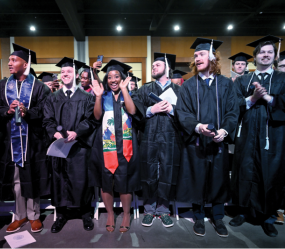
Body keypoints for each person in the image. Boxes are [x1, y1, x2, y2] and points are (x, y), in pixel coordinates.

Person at [176, 38, 239, 238]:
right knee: (197, 177)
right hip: (197, 142)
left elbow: (232, 111)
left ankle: (218, 217)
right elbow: (182, 112)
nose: (197, 57)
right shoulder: (188, 85)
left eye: (201, 54)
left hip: (218, 142)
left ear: (212, 57)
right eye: (195, 55)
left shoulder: (226, 84)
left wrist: (225, 131)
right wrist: (197, 126)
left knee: (219, 178)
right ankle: (199, 216)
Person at [230, 35, 285, 237]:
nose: (266, 55)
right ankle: (242, 211)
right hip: (247, 132)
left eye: (270, 52)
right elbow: (233, 105)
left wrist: (269, 98)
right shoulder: (243, 80)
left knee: (270, 172)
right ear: (255, 56)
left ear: (275, 56)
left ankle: (267, 217)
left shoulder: (282, 78)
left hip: (273, 133)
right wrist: (252, 98)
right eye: (262, 52)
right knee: (244, 170)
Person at [0, 43, 51, 233]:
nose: (9, 63)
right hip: (11, 140)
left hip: (33, 140)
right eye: (9, 59)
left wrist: (28, 112)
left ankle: (34, 215)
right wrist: (7, 111)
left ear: (25, 64)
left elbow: (44, 111)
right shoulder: (3, 85)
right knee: (16, 180)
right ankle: (19, 215)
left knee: (32, 177)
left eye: (14, 60)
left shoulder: (39, 87)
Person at [43, 57, 98, 233]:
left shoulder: (87, 97)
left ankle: (85, 213)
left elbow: (91, 119)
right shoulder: (52, 98)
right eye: (63, 72)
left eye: (69, 72)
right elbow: (47, 120)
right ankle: (61, 215)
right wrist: (54, 133)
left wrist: (77, 132)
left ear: (76, 75)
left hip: (79, 146)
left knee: (81, 178)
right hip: (59, 146)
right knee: (60, 179)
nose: (65, 74)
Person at [89, 60, 141, 233]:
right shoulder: (102, 96)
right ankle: (110, 214)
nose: (113, 79)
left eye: (116, 76)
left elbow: (132, 111)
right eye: (109, 76)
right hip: (106, 143)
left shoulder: (131, 94)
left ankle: (126, 214)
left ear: (122, 78)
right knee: (106, 180)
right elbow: (97, 117)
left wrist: (125, 90)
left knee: (125, 178)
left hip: (126, 144)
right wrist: (97, 96)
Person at [131, 53, 181, 228]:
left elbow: (187, 114)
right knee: (149, 171)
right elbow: (135, 109)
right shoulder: (145, 89)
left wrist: (172, 110)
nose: (153, 67)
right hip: (149, 136)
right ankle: (149, 209)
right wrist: (151, 109)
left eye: (157, 65)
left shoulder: (178, 91)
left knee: (167, 171)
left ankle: (163, 209)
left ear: (167, 68)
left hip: (170, 137)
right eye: (152, 66)